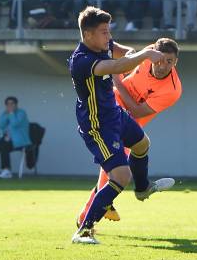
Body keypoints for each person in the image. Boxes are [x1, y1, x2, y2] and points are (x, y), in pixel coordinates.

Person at [68, 6, 175, 244]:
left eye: (108, 31)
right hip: (98, 125)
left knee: (142, 144)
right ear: (88, 35)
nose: (108, 36)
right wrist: (145, 55)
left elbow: (121, 52)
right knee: (120, 175)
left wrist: (134, 52)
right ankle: (84, 230)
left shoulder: (103, 44)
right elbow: (117, 67)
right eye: (104, 32)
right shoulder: (82, 61)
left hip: (115, 114)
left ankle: (143, 188)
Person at [77, 37, 182, 226]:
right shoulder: (149, 52)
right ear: (152, 55)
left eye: (169, 62)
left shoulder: (172, 90)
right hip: (111, 108)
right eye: (159, 60)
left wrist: (117, 78)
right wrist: (124, 56)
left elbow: (137, 111)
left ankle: (139, 188)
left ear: (176, 62)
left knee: (138, 149)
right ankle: (86, 221)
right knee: (116, 170)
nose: (162, 66)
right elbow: (127, 55)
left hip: (132, 121)